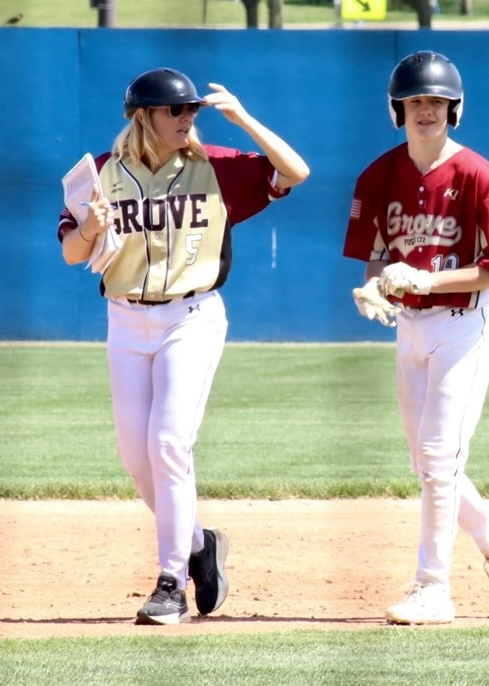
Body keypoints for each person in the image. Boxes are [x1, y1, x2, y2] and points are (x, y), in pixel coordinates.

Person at [57, 67, 309, 625]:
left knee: (169, 442)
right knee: (136, 456)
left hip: (190, 317)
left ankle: (171, 582)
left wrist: (242, 118)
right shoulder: (101, 171)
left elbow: (296, 171)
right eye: (176, 109)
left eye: (192, 109)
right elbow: (73, 252)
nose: (187, 117)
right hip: (125, 320)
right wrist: (91, 228)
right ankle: (199, 543)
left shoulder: (214, 165)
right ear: (143, 116)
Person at [343, 50, 489, 625]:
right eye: (416, 100)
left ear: (455, 108)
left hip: (463, 325)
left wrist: (427, 279)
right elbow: (377, 258)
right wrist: (372, 288)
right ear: (397, 109)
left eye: (437, 101)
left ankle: (433, 587)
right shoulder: (378, 176)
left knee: (437, 456)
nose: (427, 109)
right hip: (410, 328)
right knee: (427, 464)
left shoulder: (478, 176)